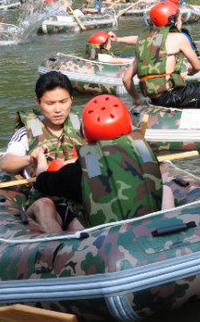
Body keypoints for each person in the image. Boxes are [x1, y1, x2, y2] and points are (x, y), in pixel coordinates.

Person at [28, 95, 172, 231]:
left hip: (108, 240)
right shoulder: (144, 152)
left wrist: (41, 160)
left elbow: (42, 182)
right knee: (166, 190)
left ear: (84, 134)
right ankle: (169, 227)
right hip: (152, 227)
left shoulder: (77, 172)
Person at [0, 72, 87, 233]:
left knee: (79, 226)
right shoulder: (27, 132)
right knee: (44, 205)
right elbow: (6, 163)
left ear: (71, 100)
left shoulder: (81, 126)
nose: (58, 109)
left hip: (76, 199)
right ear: (38, 102)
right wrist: (31, 158)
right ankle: (59, 250)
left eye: (63, 101)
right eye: (50, 103)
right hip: (43, 199)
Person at [124, 2, 200, 109]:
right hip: (173, 97)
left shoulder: (145, 42)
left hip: (155, 99)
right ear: (173, 20)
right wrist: (191, 71)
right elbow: (197, 67)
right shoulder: (179, 38)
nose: (181, 20)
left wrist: (136, 98)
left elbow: (126, 79)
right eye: (179, 18)